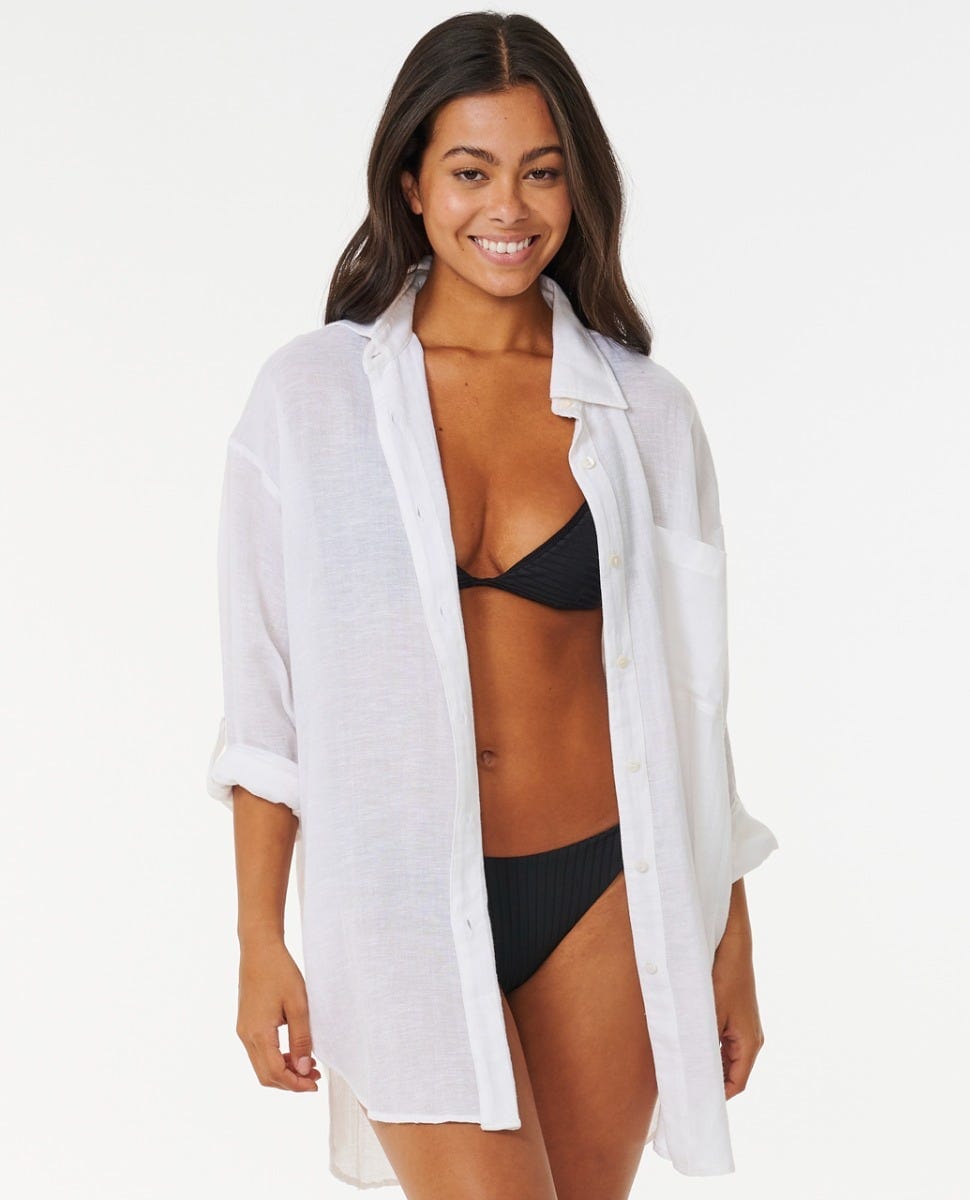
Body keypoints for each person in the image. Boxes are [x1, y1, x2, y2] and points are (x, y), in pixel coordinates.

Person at [205, 11, 779, 1199]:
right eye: (470, 172)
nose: (507, 207)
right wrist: (260, 937)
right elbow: (267, 700)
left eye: (541, 172)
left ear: (578, 187)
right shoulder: (310, 401)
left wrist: (730, 940)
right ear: (411, 184)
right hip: (397, 895)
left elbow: (692, 703)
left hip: (610, 893)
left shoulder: (645, 413)